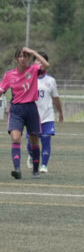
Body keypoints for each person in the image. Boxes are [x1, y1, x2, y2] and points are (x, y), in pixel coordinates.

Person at [1, 47, 49, 179]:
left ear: (29, 59)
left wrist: (33, 52)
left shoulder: (33, 70)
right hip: (16, 109)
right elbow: (1, 90)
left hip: (31, 108)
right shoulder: (9, 75)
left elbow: (46, 65)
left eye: (26, 56)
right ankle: (17, 169)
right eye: (20, 56)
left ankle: (35, 170)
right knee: (16, 137)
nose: (23, 58)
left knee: (34, 139)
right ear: (16, 59)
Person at [35, 52, 63, 173]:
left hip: (47, 116)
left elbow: (56, 98)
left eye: (42, 61)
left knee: (46, 139)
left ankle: (44, 165)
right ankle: (31, 155)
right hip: (33, 117)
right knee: (31, 144)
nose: (40, 63)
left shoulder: (51, 81)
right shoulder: (29, 78)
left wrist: (60, 112)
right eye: (37, 60)